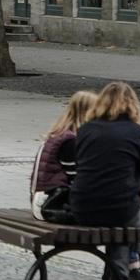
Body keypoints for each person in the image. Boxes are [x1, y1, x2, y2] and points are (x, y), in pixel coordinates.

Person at [67, 81, 140, 280]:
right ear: (133, 104)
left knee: (129, 217)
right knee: (135, 217)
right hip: (120, 208)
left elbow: (81, 166)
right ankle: (132, 278)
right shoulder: (139, 133)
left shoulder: (86, 129)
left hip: (82, 206)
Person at [29, 90, 96, 220]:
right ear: (87, 112)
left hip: (43, 199)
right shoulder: (70, 141)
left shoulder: (61, 134)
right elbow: (75, 179)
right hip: (52, 205)